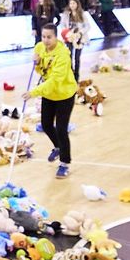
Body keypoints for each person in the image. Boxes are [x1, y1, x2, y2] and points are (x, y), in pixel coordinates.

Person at [31, 23, 79, 179]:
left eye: (49, 37)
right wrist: (37, 63)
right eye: (43, 36)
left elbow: (55, 81)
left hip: (64, 94)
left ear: (56, 37)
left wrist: (34, 92)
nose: (45, 40)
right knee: (45, 124)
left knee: (61, 128)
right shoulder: (39, 47)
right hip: (49, 93)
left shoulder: (63, 55)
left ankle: (65, 163)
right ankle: (58, 147)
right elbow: (42, 71)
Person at [60, 0, 89, 77]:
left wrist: (80, 32)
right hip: (69, 38)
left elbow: (87, 26)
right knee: (68, 56)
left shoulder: (82, 14)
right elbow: (62, 25)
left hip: (79, 38)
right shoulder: (66, 14)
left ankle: (76, 75)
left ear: (77, 4)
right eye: (71, 3)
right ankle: (70, 74)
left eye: (74, 3)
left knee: (77, 57)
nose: (72, 5)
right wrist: (66, 32)